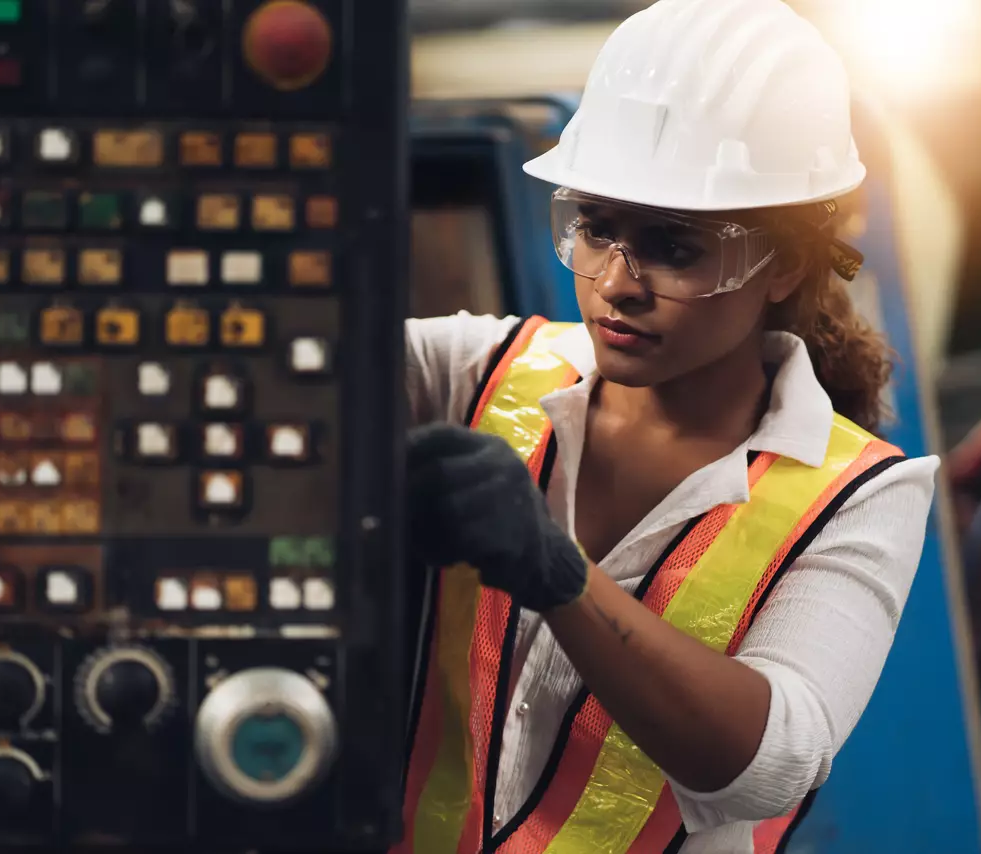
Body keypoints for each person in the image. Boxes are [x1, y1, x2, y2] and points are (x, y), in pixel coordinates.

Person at [396, 0, 937, 852]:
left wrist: (558, 575)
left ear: (784, 262)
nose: (618, 281)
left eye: (674, 247)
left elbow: (768, 765)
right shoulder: (474, 371)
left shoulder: (860, 494)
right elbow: (301, 371)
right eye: (597, 230)